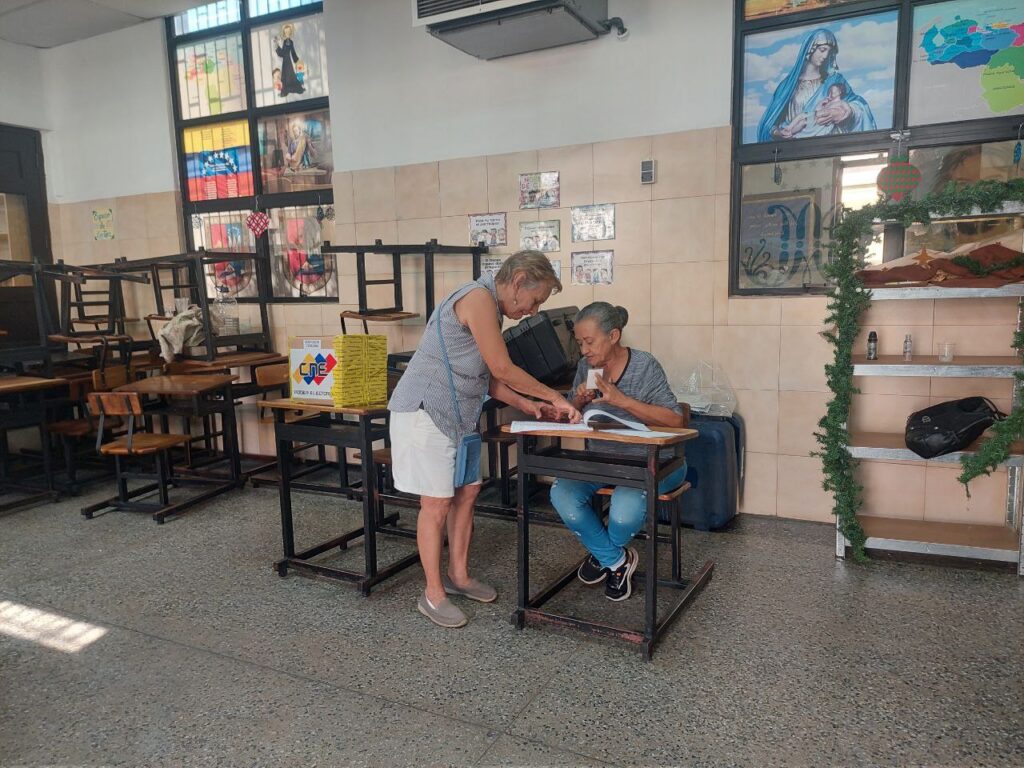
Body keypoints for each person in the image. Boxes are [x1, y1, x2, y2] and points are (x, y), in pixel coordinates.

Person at [389, 251, 582, 628]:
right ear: (519, 280)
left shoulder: (492, 309)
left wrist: (529, 404)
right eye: (535, 300)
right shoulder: (477, 298)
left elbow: (487, 378)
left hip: (459, 417)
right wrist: (555, 397)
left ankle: (458, 576)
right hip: (426, 411)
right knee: (436, 504)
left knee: (467, 493)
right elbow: (502, 367)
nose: (533, 310)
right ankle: (432, 594)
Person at [549, 302, 686, 602]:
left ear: (613, 336)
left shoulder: (645, 365)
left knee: (623, 512)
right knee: (562, 494)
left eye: (589, 342)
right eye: (579, 343)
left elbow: (676, 420)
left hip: (654, 463)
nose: (584, 350)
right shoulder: (587, 367)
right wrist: (578, 402)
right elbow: (572, 411)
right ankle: (616, 560)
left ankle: (603, 555)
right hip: (603, 461)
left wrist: (622, 401)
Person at [756, 28, 876, 142]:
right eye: (822, 50)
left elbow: (859, 106)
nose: (825, 56)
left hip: (831, 145)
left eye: (829, 52)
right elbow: (769, 124)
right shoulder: (787, 86)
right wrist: (778, 132)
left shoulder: (835, 81)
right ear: (810, 49)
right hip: (796, 147)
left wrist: (848, 111)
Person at [273, 22, 305, 97]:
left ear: (290, 32)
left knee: (287, 75)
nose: (287, 33)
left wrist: (297, 61)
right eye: (286, 32)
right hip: (286, 60)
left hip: (287, 61)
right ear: (284, 33)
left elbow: (291, 52)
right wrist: (277, 45)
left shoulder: (289, 42)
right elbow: (283, 53)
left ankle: (286, 91)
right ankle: (285, 91)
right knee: (287, 76)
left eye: (288, 32)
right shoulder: (286, 42)